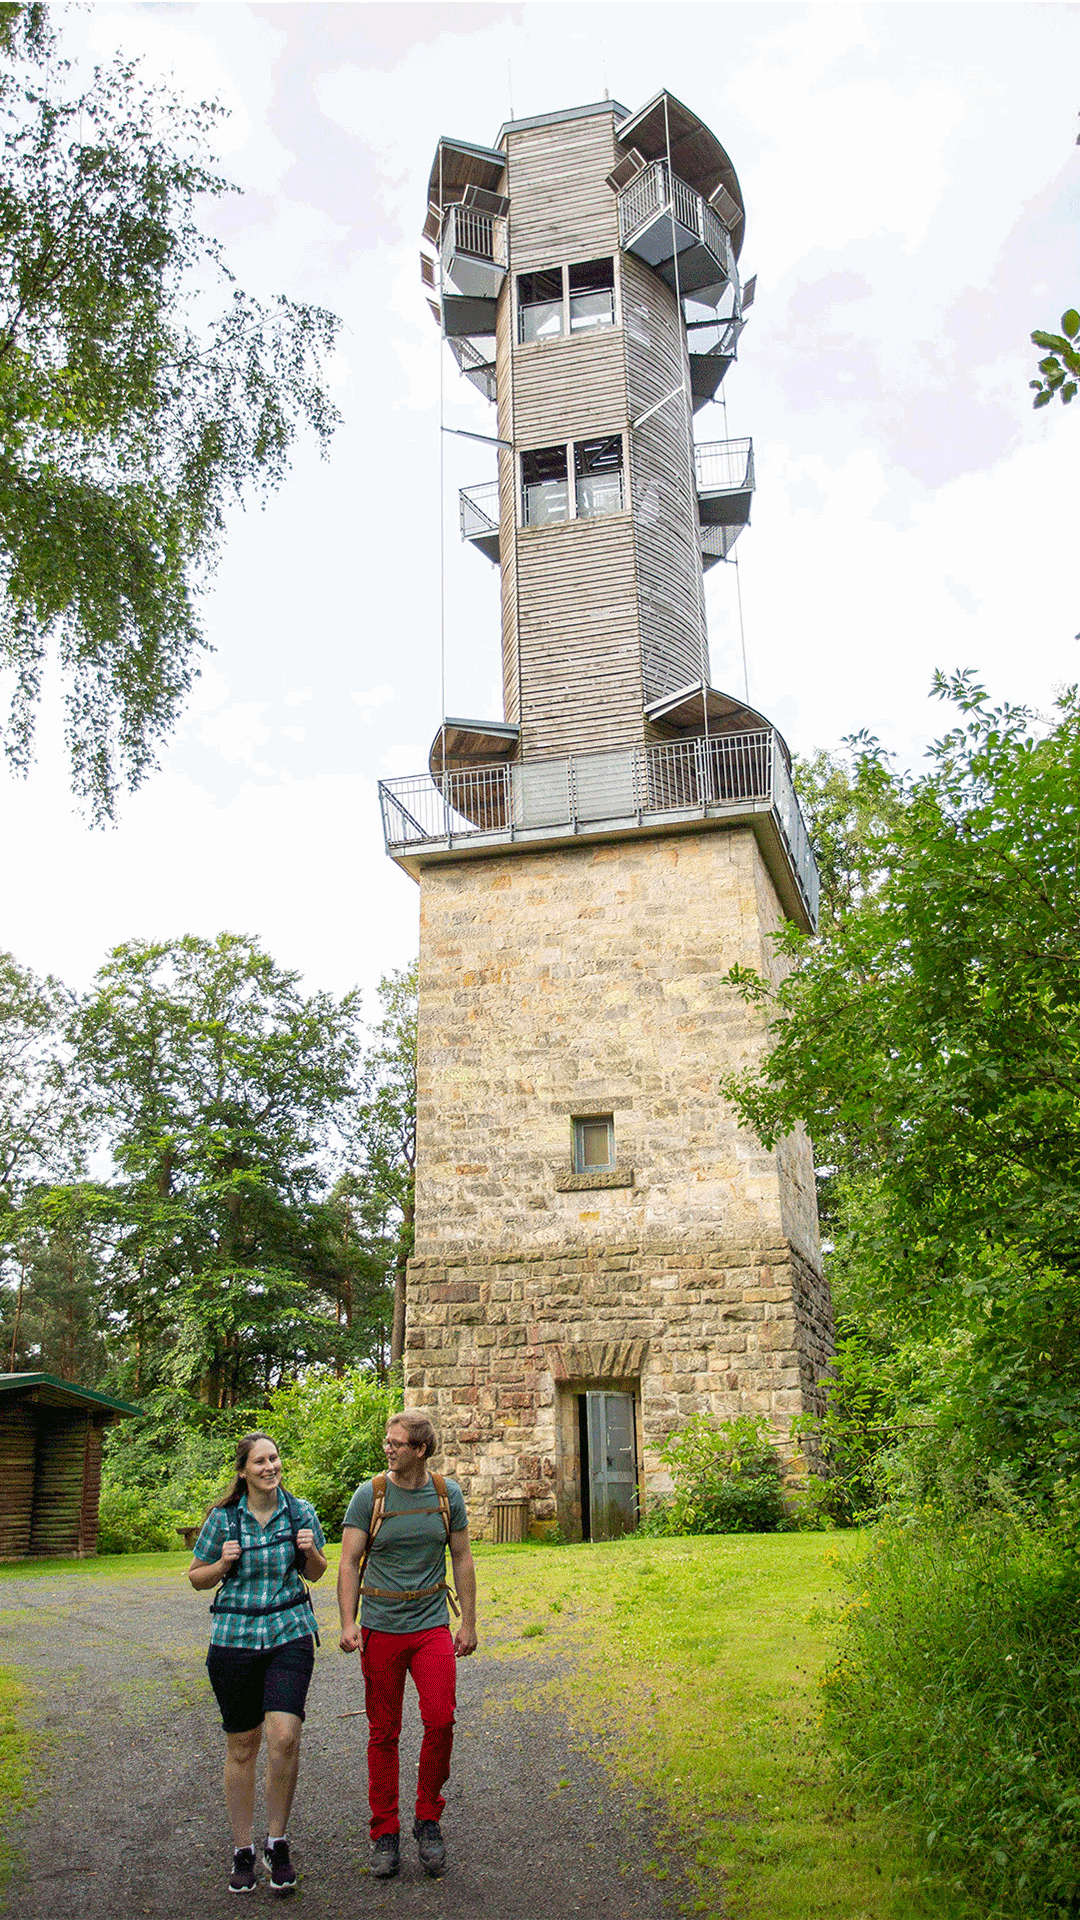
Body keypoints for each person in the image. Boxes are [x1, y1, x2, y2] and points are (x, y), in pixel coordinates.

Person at [338, 1409, 477, 1880]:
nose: (388, 1448)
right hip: (380, 1626)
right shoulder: (370, 1495)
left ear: (420, 1448)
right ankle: (385, 1832)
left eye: (396, 1442)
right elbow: (349, 1561)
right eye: (387, 1441)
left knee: (440, 1719)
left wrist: (470, 1624)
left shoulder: (446, 1494)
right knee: (384, 1731)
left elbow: (461, 1556)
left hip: (431, 1625)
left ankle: (428, 1819)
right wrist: (347, 1621)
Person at [188, 1431, 327, 1896]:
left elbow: (317, 1572)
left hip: (288, 1634)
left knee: (285, 1737)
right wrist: (223, 1564)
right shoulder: (224, 1519)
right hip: (234, 1640)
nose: (271, 1467)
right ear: (243, 1470)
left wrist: (310, 1551)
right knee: (243, 1745)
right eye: (261, 1461)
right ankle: (243, 1848)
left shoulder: (301, 1511)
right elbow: (196, 1579)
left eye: (276, 1458)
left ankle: (277, 1841)